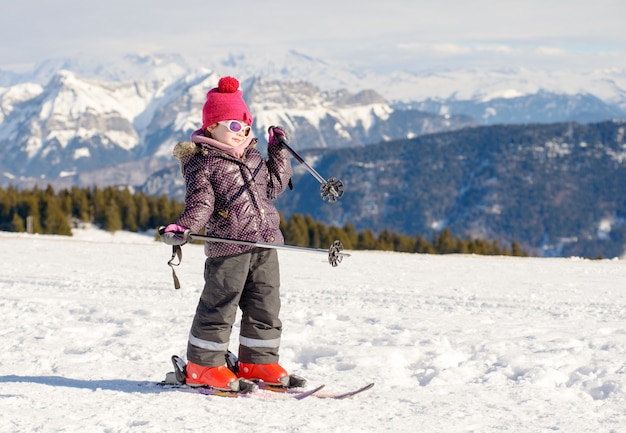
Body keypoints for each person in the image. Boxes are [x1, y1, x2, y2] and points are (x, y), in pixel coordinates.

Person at [160, 76, 295, 392]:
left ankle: (258, 361)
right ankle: (203, 366)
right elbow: (201, 202)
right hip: (230, 246)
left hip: (264, 243)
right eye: (234, 126)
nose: (243, 132)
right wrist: (185, 227)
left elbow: (273, 187)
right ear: (211, 127)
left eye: (246, 125)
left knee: (265, 303)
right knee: (220, 306)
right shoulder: (203, 162)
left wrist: (279, 150)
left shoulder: (252, 156)